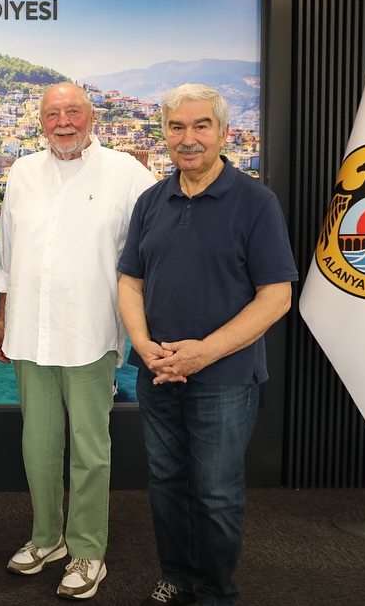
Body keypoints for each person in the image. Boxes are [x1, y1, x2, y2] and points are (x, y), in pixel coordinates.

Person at [117, 84, 297, 606]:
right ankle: (176, 577)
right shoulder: (151, 201)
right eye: (177, 127)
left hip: (224, 378)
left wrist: (204, 353)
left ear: (223, 132)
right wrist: (142, 344)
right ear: (165, 134)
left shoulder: (256, 202)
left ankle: (216, 592)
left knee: (216, 493)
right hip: (157, 373)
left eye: (201, 126)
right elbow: (130, 281)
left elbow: (276, 297)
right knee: (166, 482)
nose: (188, 138)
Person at [0, 82, 156, 600]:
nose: (63, 122)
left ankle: (88, 551)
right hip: (29, 331)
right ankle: (48, 539)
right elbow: (7, 254)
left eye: (73, 112)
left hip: (90, 333)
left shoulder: (127, 174)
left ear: (92, 117)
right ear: (41, 121)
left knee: (90, 449)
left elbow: (154, 247)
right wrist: (2, 318)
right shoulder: (22, 172)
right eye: (52, 114)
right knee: (37, 446)